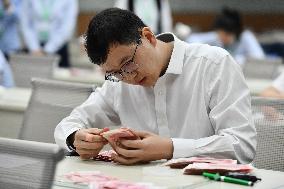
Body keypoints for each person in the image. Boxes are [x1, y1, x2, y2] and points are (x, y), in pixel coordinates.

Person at [54, 8, 256, 165]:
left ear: (148, 37)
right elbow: (71, 122)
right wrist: (75, 138)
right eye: (115, 73)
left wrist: (169, 148)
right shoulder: (118, 84)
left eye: (128, 62)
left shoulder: (213, 64)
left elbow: (241, 145)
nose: (128, 76)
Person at [186, 7, 265, 65]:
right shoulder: (217, 37)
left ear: (236, 32)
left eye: (227, 35)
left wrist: (233, 59)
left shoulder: (246, 36)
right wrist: (207, 50)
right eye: (220, 34)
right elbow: (192, 38)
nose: (222, 38)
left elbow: (259, 58)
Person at [20, 0, 78, 67]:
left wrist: (47, 50)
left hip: (58, 47)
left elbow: (67, 27)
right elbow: (25, 23)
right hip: (33, 48)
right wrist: (34, 48)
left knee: (59, 75)